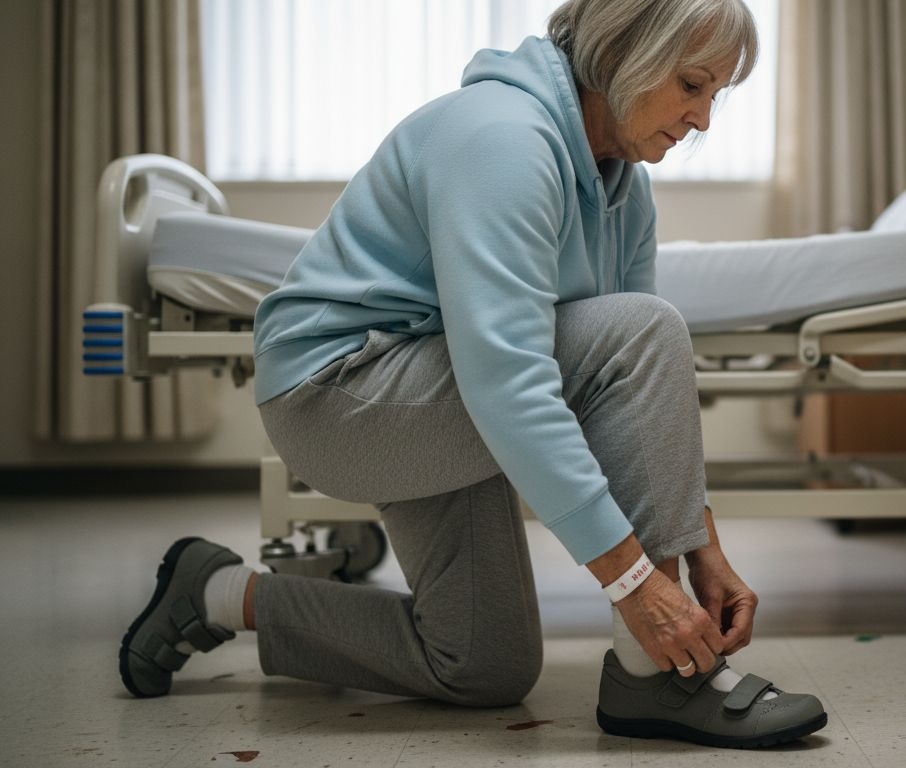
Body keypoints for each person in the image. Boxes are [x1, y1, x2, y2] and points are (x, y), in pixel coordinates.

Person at [118, 0, 826, 749]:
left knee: (481, 665)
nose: (703, 120)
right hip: (340, 394)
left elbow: (641, 401)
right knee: (646, 328)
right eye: (691, 85)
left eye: (716, 94)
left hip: (436, 390)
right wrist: (635, 586)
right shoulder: (504, 140)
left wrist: (704, 551)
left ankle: (215, 592)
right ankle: (655, 681)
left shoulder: (623, 185)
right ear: (624, 53)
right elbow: (515, 382)